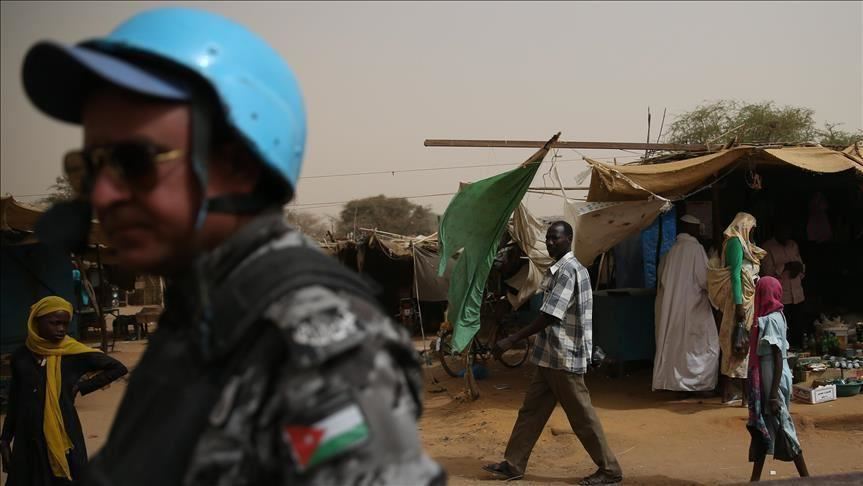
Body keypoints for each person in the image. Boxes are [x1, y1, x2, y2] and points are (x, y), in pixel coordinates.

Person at [21, 7, 443, 485]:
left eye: (133, 161)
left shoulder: (312, 348)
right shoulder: (206, 313)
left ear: (239, 165)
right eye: (89, 168)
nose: (102, 194)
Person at [482, 221, 623, 485]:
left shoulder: (568, 270)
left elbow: (549, 315)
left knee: (582, 417)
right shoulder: (559, 269)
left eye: (555, 238)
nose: (549, 243)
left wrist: (512, 338)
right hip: (549, 356)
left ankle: (610, 470)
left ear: (569, 239)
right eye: (547, 238)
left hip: (564, 357)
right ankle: (513, 464)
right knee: (531, 412)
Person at [0, 296, 127, 486]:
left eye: (65, 324)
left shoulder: (72, 354)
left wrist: (81, 387)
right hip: (28, 436)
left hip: (64, 434)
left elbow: (117, 368)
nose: (61, 329)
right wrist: (5, 440)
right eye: (54, 323)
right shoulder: (21, 357)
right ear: (36, 322)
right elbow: (15, 400)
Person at [746, 277, 809, 482]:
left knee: (783, 425)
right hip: (770, 377)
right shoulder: (775, 316)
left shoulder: (771, 320)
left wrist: (773, 395)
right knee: (763, 428)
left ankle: (807, 478)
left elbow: (777, 358)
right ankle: (754, 480)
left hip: (773, 378)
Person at [652, 214, 719, 393]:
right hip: (694, 308)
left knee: (677, 348)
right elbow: (705, 280)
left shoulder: (672, 251)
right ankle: (699, 385)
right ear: (691, 229)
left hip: (674, 309)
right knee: (703, 346)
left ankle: (676, 385)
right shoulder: (696, 249)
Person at [708, 212, 766, 405]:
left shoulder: (744, 244)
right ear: (744, 226)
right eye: (752, 228)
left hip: (746, 299)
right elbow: (735, 274)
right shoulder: (735, 243)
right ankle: (743, 395)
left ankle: (732, 393)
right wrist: (740, 305)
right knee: (738, 342)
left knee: (739, 343)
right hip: (739, 302)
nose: (753, 232)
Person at [760, 220, 806, 348]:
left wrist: (798, 268)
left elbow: (801, 268)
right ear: (776, 231)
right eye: (783, 231)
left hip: (797, 294)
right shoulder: (767, 247)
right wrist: (785, 266)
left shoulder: (793, 245)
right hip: (781, 298)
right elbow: (767, 274)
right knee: (782, 332)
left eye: (788, 232)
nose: (786, 234)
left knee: (798, 328)